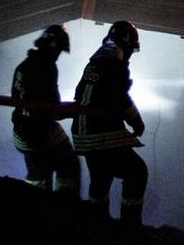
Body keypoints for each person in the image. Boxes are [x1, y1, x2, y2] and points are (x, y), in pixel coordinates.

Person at [72, 20, 148, 226]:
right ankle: (130, 225)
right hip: (101, 133)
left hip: (83, 133)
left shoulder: (96, 60)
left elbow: (80, 94)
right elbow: (120, 98)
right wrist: (137, 122)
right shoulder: (116, 62)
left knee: (101, 176)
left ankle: (98, 221)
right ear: (128, 43)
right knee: (137, 172)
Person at [10, 24, 80, 198]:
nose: (58, 56)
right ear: (54, 48)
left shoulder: (24, 66)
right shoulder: (46, 67)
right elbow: (53, 109)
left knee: (39, 173)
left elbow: (18, 99)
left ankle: (38, 208)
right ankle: (66, 204)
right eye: (59, 51)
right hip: (39, 132)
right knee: (69, 164)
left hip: (21, 132)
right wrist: (75, 110)